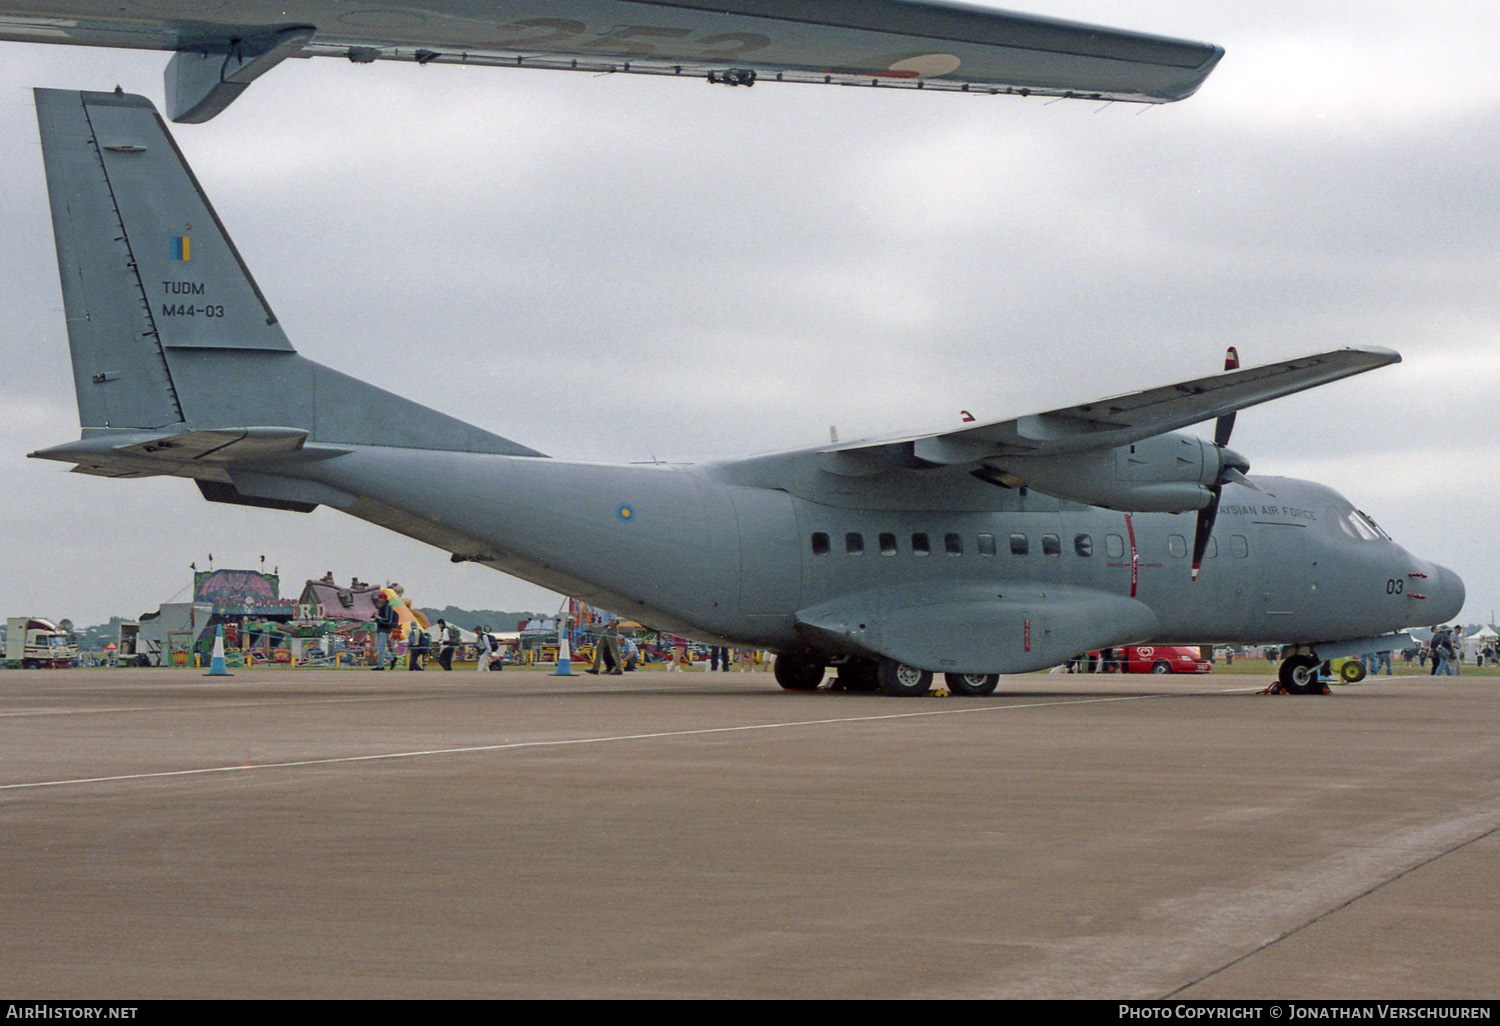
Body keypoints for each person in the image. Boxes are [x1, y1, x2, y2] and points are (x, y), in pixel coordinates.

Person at [373, 591, 399, 669]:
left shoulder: (388, 608)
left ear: (385, 599)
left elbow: (388, 620)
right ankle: (392, 658)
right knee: (378, 648)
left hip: (385, 630)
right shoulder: (381, 607)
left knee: (381, 648)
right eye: (379, 598)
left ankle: (380, 666)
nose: (379, 600)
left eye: (381, 598)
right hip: (380, 629)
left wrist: (379, 618)